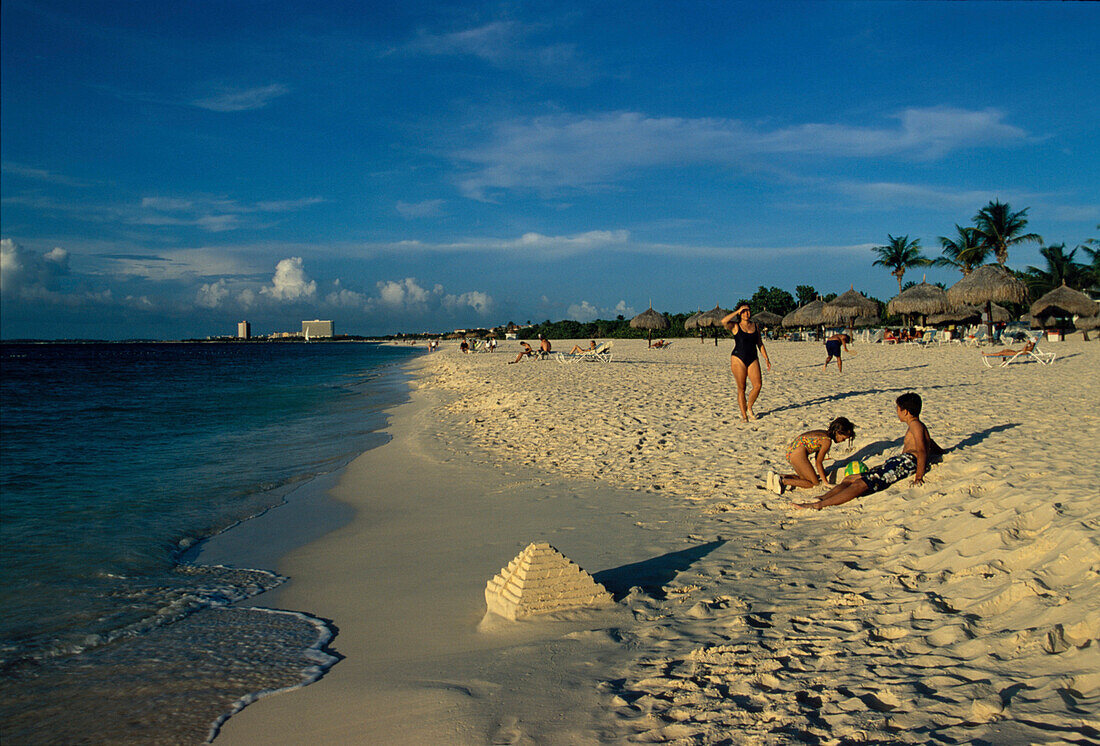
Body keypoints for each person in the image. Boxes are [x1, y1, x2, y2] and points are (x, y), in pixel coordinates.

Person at [793, 393, 942, 510]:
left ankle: (819, 505)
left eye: (898, 409)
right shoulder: (918, 426)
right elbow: (929, 443)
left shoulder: (916, 425)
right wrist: (942, 451)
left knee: (862, 484)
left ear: (906, 412)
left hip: (906, 462)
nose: (897, 412)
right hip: (899, 461)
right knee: (850, 478)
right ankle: (823, 497)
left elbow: (922, 450)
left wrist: (919, 477)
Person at [768, 417, 856, 494]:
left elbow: (817, 458)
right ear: (837, 432)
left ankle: (778, 476)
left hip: (791, 451)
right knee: (813, 483)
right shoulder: (827, 441)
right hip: (798, 453)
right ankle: (784, 481)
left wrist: (822, 474)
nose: (843, 441)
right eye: (843, 438)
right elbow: (818, 462)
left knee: (804, 478)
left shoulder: (823, 433)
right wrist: (826, 482)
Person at [721, 305, 772, 421]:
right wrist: (737, 311)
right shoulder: (735, 326)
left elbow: (759, 343)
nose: (746, 313)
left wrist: (766, 358)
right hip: (738, 358)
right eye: (744, 311)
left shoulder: (755, 326)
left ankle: (749, 407)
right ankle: (744, 416)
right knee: (742, 388)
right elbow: (724, 321)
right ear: (740, 313)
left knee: (758, 385)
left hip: (753, 357)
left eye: (748, 310)